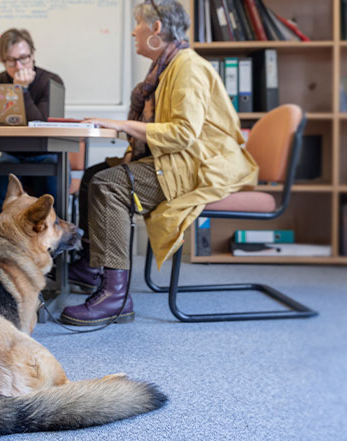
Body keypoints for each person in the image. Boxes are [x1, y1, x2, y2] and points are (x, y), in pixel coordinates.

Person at [60, 0, 259, 326]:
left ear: (156, 29)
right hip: (176, 160)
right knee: (96, 173)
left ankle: (116, 295)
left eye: (138, 23)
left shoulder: (188, 67)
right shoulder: (164, 70)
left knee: (109, 185)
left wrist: (123, 125)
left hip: (195, 167)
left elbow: (183, 134)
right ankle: (91, 265)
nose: (134, 31)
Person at [0, 28, 65, 220]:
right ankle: (6, 240)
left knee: (52, 191)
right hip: (11, 155)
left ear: (33, 54)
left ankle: (48, 245)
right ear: (3, 60)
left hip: (47, 155)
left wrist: (22, 91)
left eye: (24, 58)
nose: (18, 66)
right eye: (11, 60)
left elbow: (42, 125)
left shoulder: (52, 82)